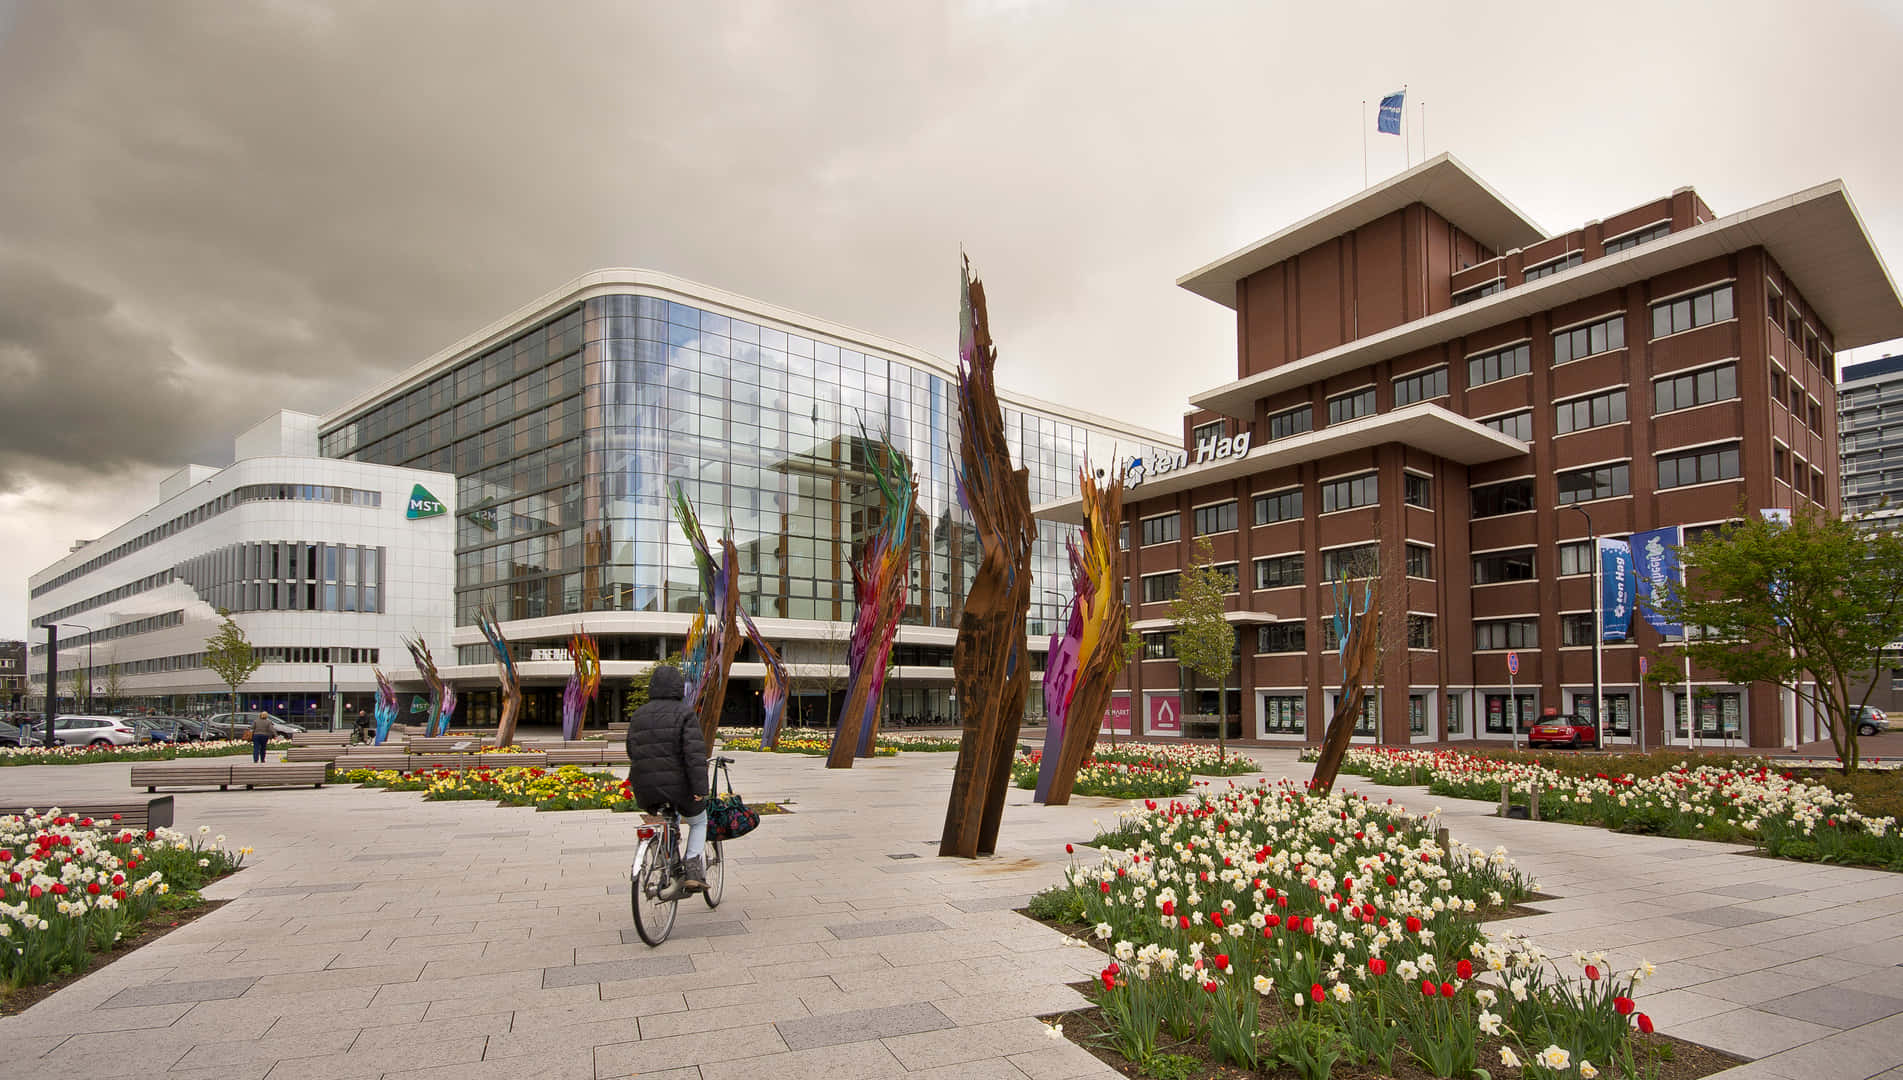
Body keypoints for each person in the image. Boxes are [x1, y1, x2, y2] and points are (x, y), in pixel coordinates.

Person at [625, 665, 707, 894]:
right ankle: (692, 867)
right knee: (699, 820)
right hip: (679, 785)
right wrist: (700, 788)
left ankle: (666, 856)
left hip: (644, 785)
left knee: (669, 815)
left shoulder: (639, 714)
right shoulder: (685, 713)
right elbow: (694, 755)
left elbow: (632, 749)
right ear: (678, 688)